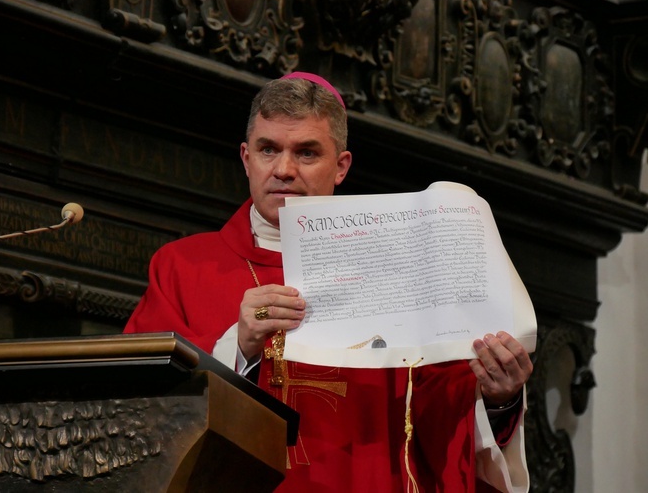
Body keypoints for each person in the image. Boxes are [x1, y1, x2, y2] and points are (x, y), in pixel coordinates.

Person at [125, 72, 533, 492]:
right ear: (246, 158)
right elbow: (137, 412)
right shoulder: (181, 266)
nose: (283, 169)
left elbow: (436, 417)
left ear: (341, 166)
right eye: (268, 150)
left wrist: (499, 398)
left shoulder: (403, 270)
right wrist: (239, 347)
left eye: (306, 153)